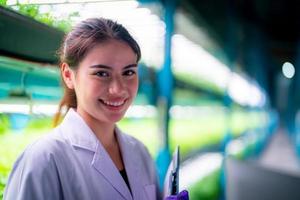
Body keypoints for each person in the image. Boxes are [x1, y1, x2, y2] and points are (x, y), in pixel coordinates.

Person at [4, 18, 188, 200]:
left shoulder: (139, 152)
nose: (118, 89)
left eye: (128, 72)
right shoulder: (42, 160)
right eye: (101, 73)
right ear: (68, 75)